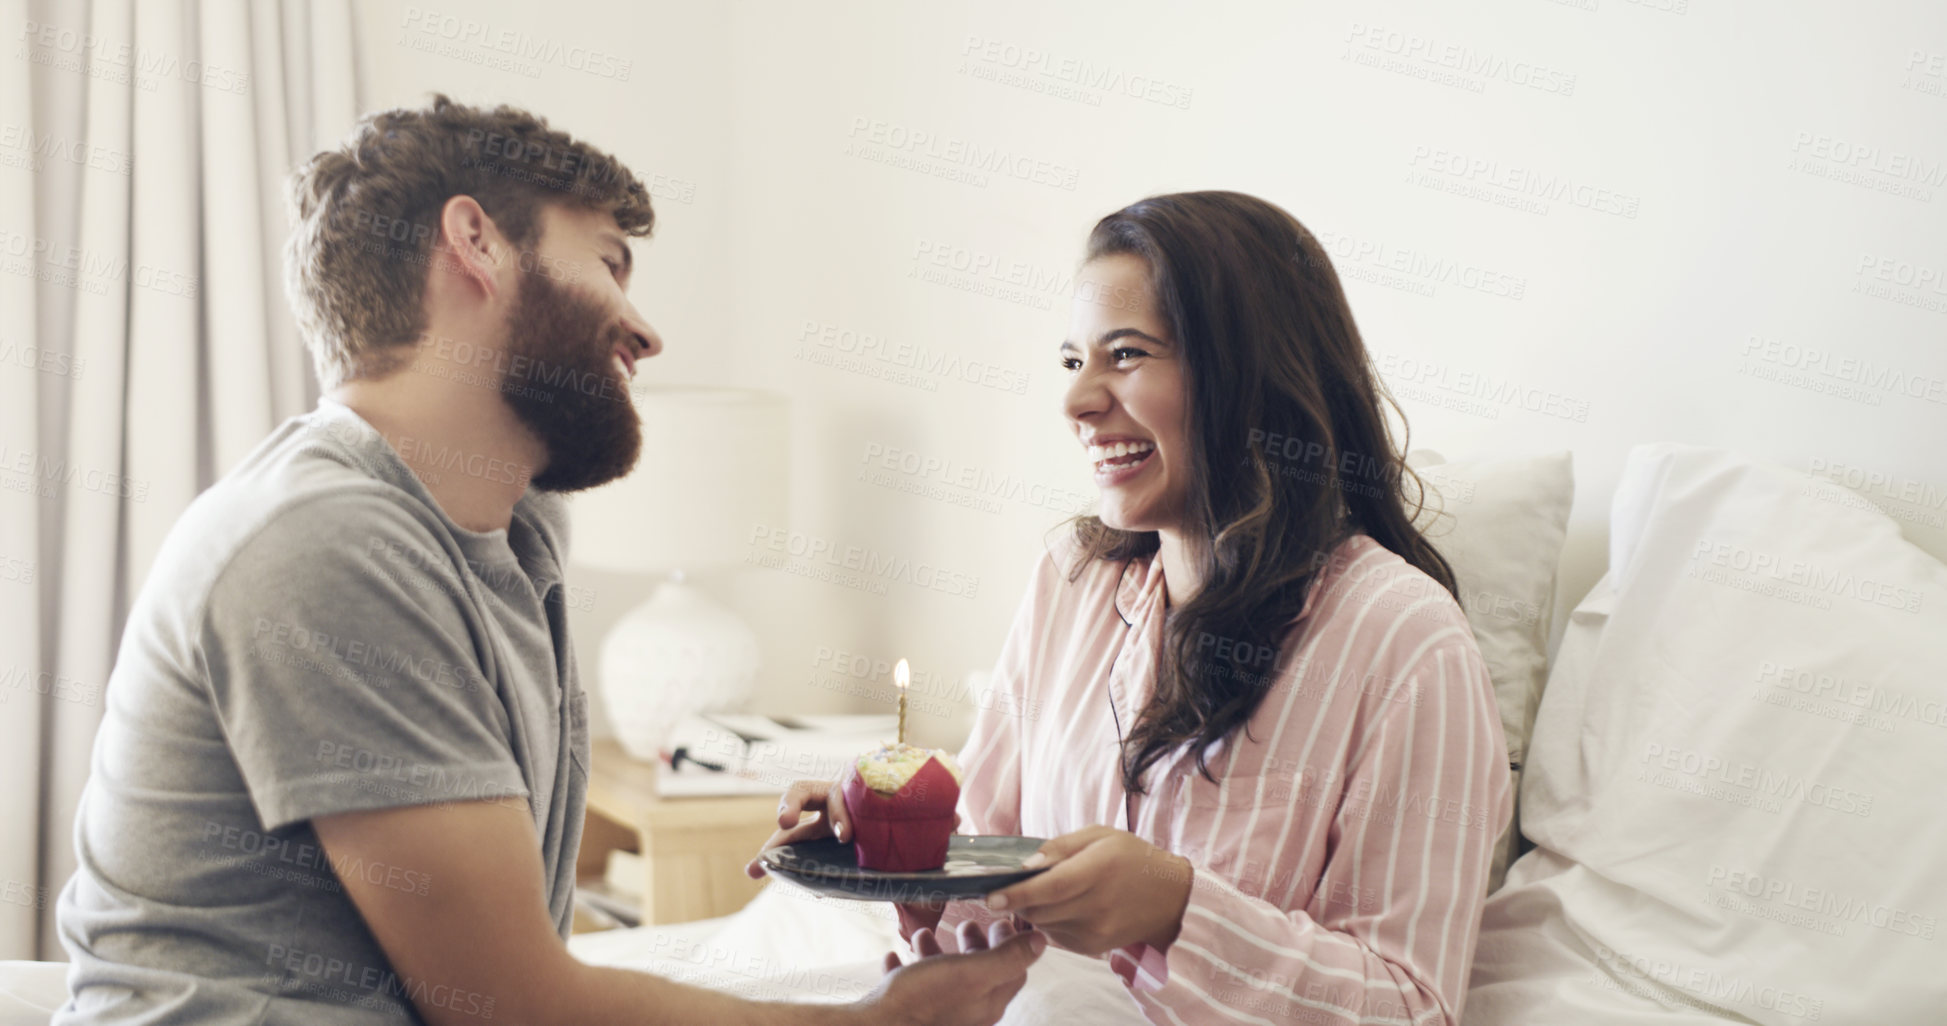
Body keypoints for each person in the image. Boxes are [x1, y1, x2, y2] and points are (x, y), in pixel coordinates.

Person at [51, 94, 1042, 1026]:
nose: (645, 332)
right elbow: (513, 1007)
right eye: (608, 264)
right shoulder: (325, 542)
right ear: (475, 241)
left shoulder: (516, 532)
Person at [753, 192, 1512, 1025]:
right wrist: (885, 846)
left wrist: (1176, 912)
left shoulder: (1404, 641)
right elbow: (982, 876)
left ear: (1248, 376)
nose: (1078, 403)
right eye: (1074, 362)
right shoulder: (1071, 582)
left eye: (1126, 354)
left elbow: (1408, 1005)